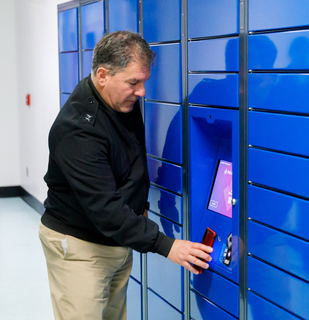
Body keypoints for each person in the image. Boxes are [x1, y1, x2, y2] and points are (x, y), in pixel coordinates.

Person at [38, 31, 213, 320]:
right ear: (103, 75)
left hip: (117, 240)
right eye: (134, 82)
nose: (142, 91)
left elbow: (129, 159)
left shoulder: (119, 101)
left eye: (144, 81)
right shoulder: (78, 130)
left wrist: (140, 206)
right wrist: (166, 246)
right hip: (81, 246)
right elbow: (104, 208)